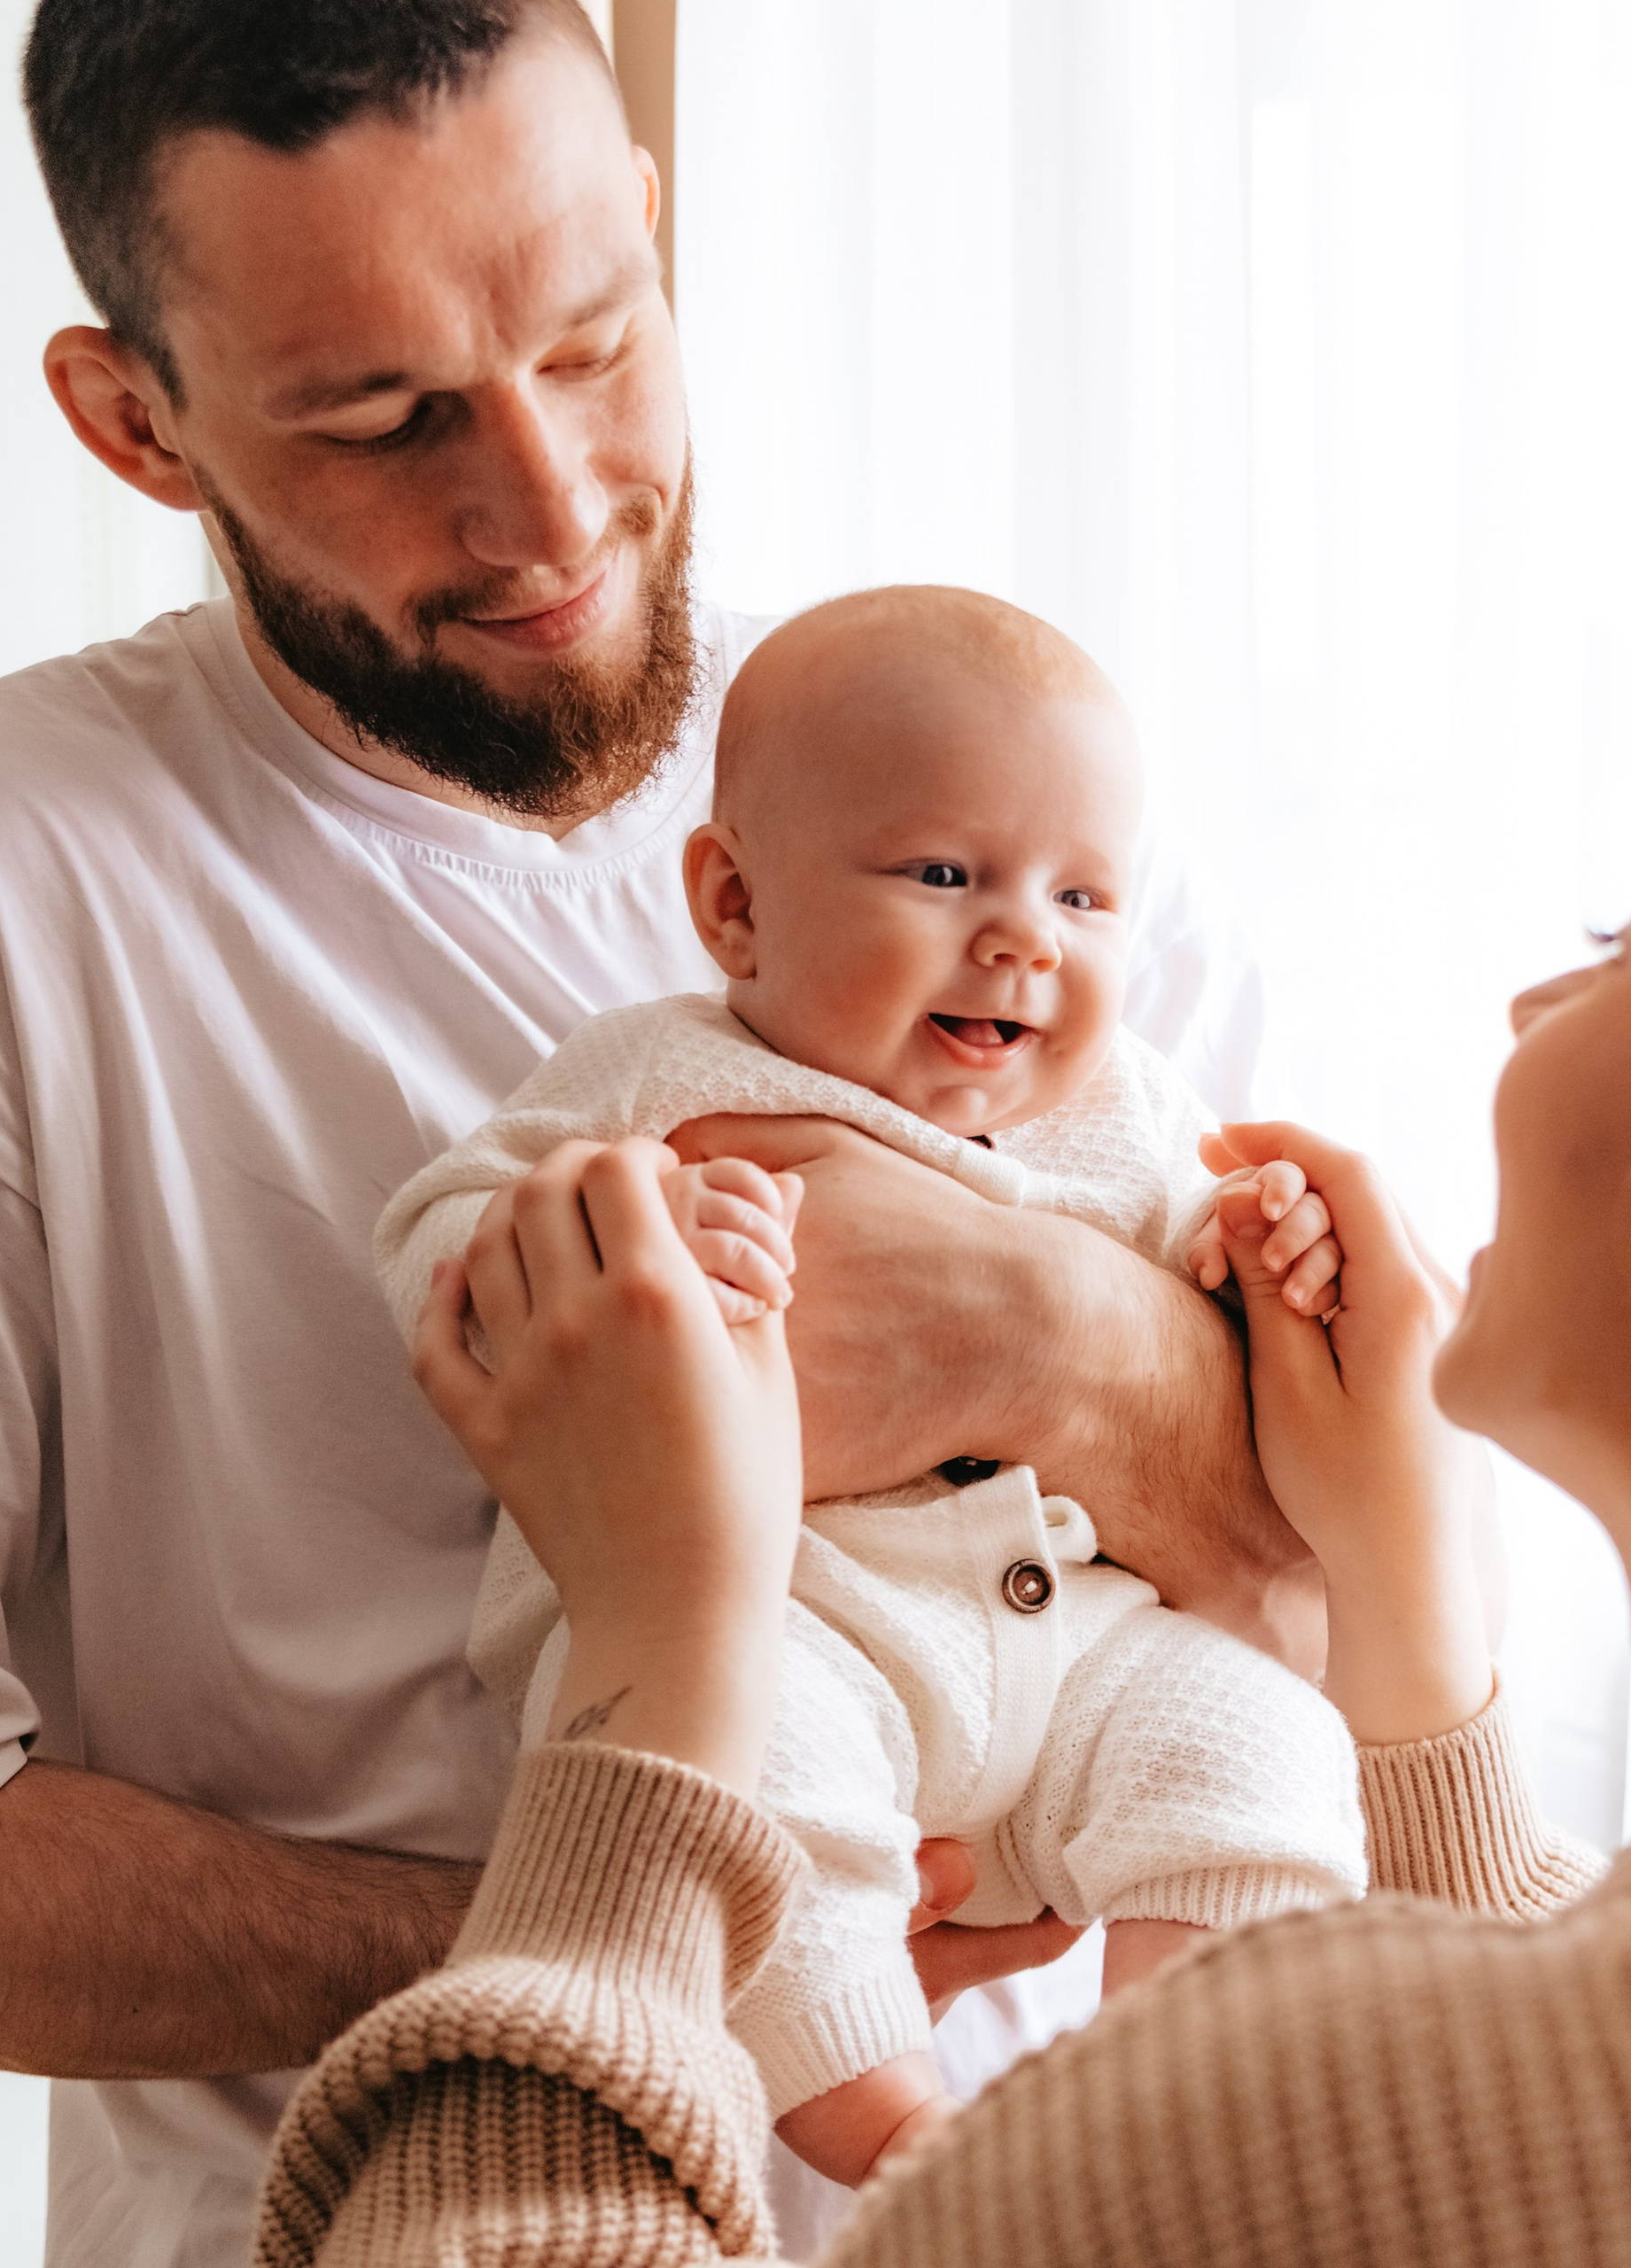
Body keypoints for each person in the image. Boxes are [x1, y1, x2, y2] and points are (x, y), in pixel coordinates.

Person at [0, 5, 1309, 2261]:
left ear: (655, 237)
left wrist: (1039, 1332)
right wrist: (678, 1935)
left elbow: (1351, 1592)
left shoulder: (972, 783)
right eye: (383, 420)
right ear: (136, 422)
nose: (547, 508)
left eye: (595, 343)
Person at [255, 633, 1631, 2267]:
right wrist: (1403, 1629)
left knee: (1221, 1747)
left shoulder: (1275, 2127)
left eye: (1613, 951)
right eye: (941, 874)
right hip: (908, 1683)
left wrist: (659, 1655)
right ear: (729, 901)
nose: (1518, 1018)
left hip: (903, 1710)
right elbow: (1574, 2010)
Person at [376, 585, 1368, 2184]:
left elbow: (1222, 1304)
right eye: (945, 873)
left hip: (1085, 1646)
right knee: (759, 1800)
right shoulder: (662, 1074)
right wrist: (619, 1229)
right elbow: (435, 1240)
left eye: (1088, 898)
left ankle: (1177, 2102)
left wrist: (1270, 1249)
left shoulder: (1126, 1104)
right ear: (735, 906)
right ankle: (909, 2143)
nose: (1025, 938)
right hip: (786, 1618)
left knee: (1256, 1740)